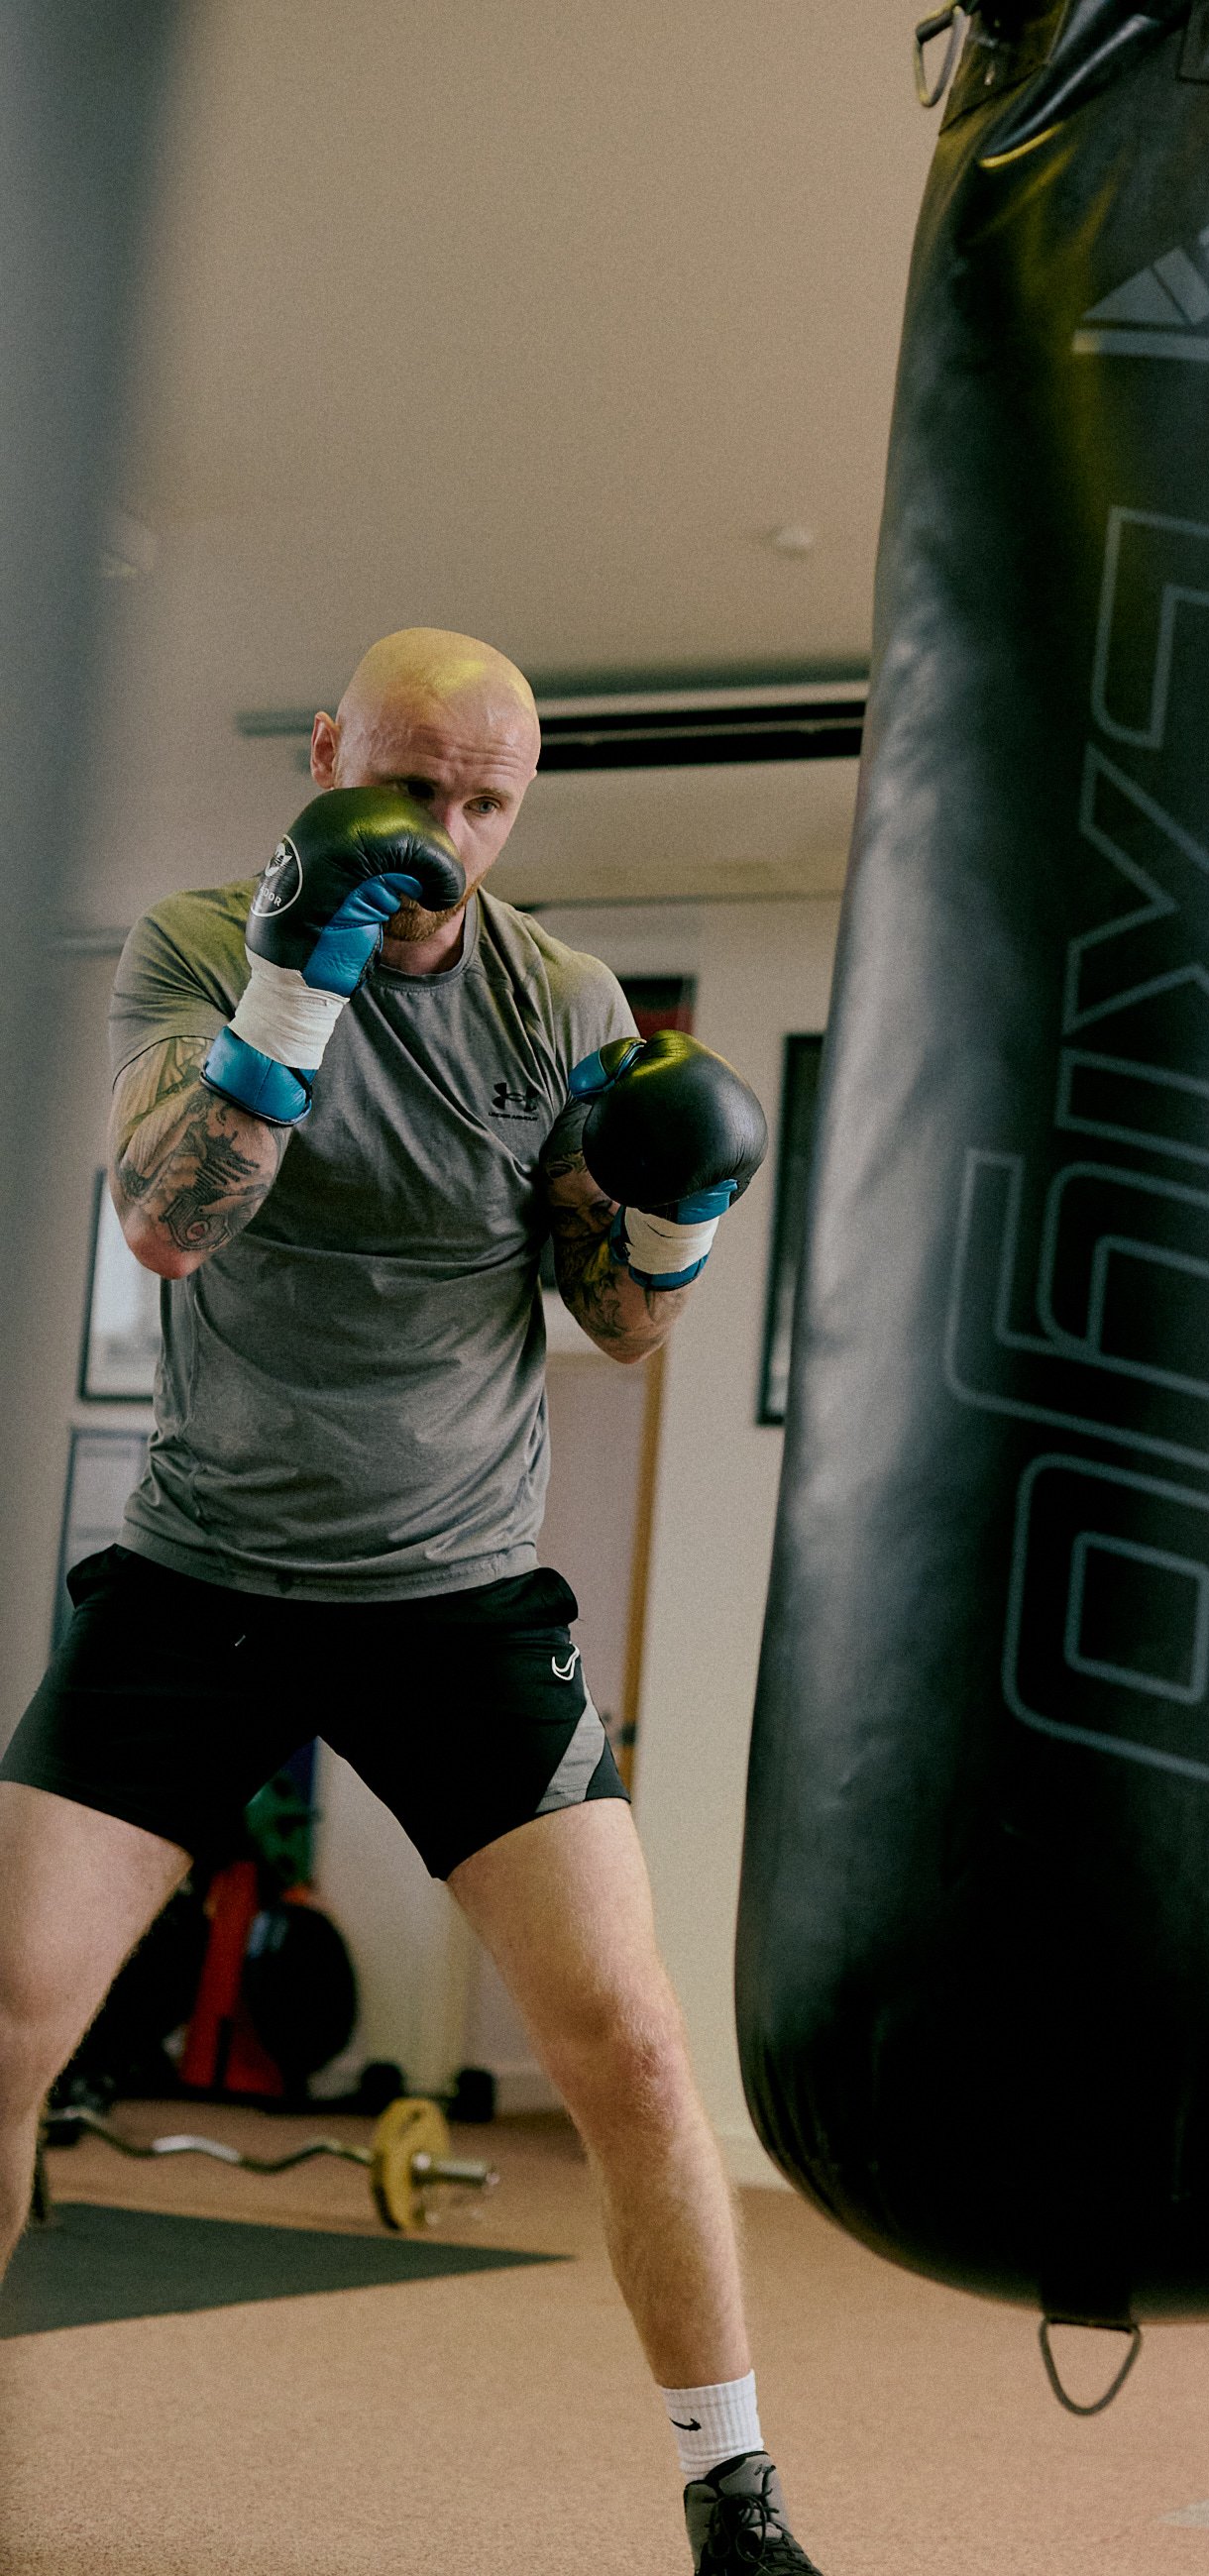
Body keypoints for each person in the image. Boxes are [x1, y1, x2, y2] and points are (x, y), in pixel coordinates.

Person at [0, 628, 820, 2576]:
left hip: (456, 1591)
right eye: (413, 784)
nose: (444, 836)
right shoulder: (202, 938)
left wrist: (678, 1219)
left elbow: (610, 1327)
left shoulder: (562, 997)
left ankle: (739, 2500)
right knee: (5, 2005)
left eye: (485, 801)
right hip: (198, 1566)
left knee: (625, 2037)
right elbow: (169, 1221)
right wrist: (302, 980)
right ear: (328, 753)